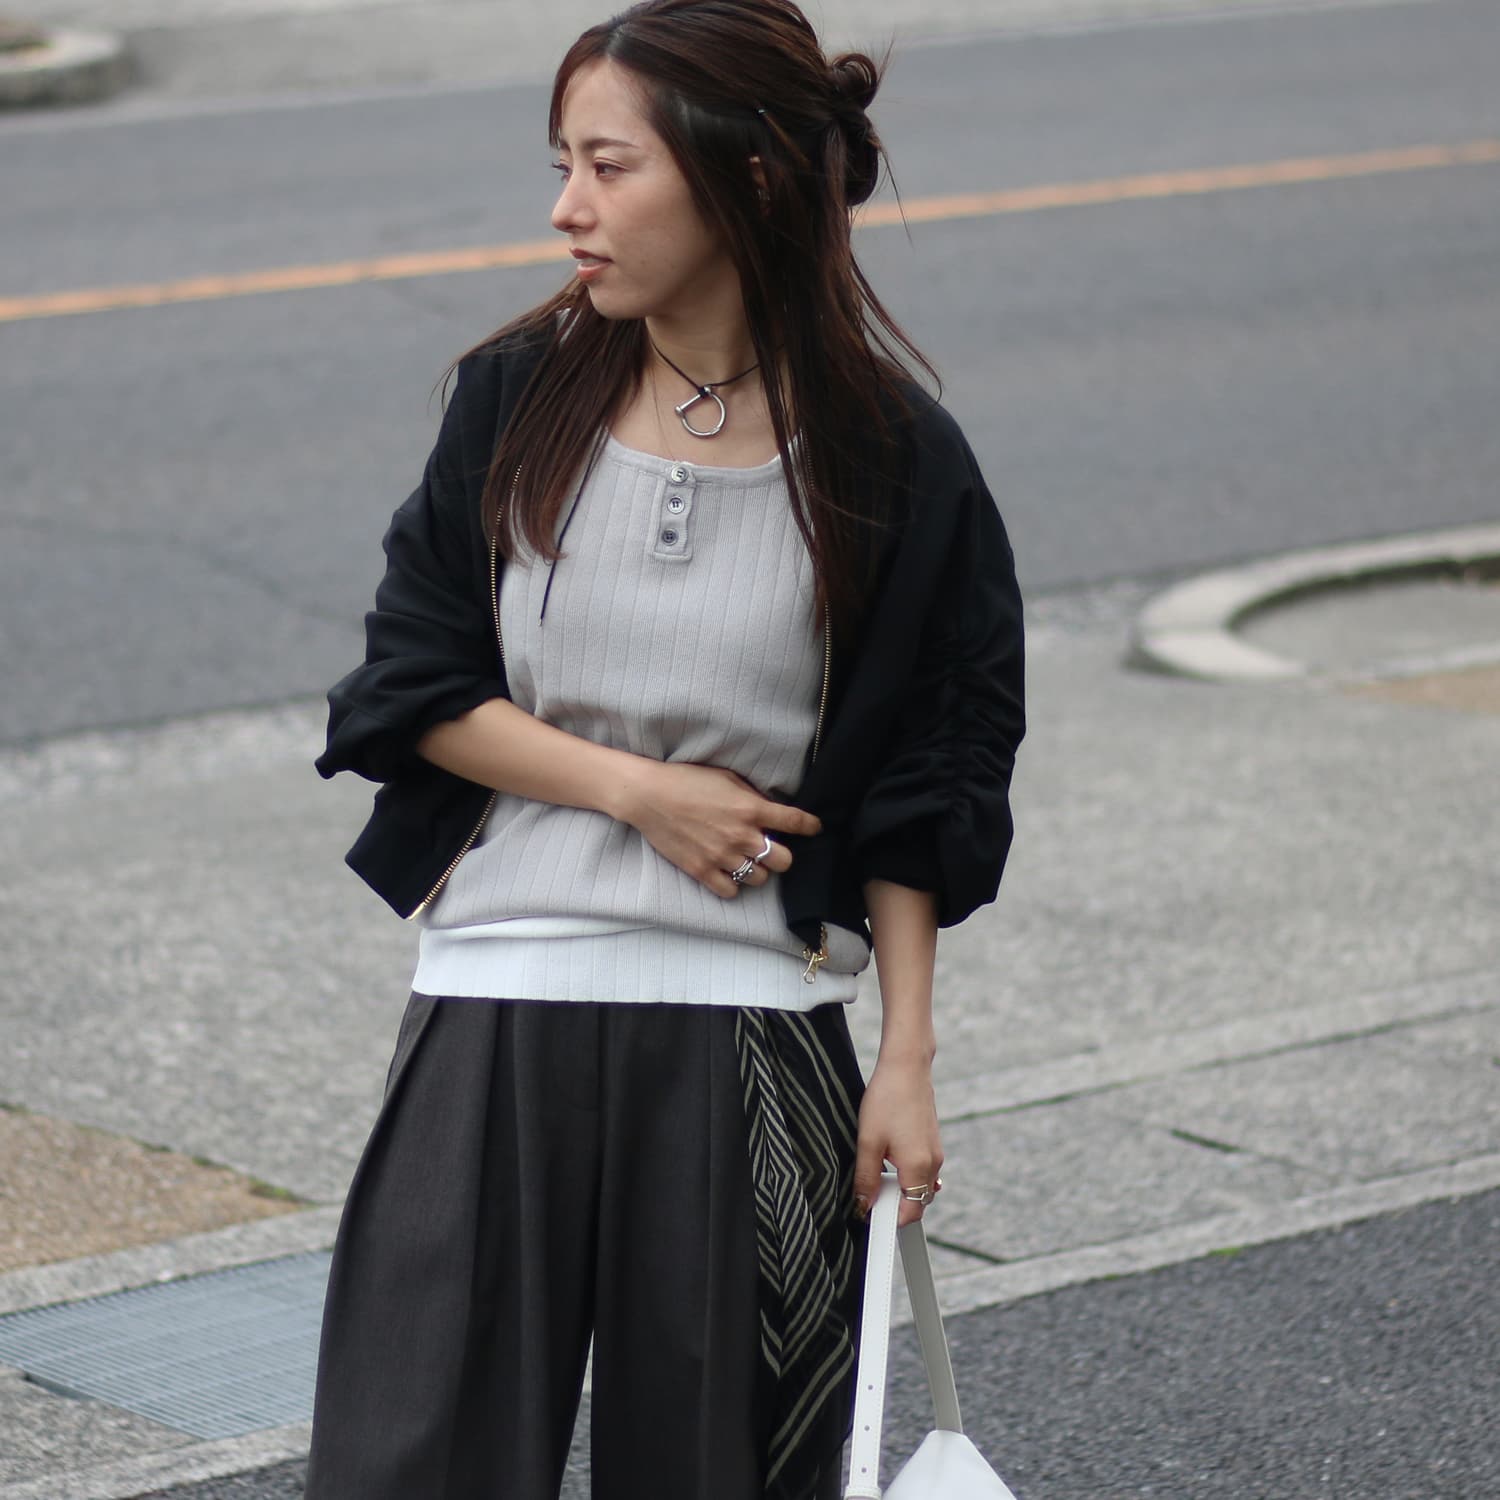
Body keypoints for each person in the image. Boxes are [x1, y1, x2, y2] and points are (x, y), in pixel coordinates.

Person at [303, 1, 1025, 1497]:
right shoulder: (517, 398)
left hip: (756, 1031)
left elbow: (934, 777)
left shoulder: (893, 457)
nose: (567, 207)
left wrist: (906, 1059)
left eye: (609, 165)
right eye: (563, 164)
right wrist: (642, 795)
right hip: (495, 1005)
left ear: (746, 176)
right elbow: (406, 688)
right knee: (411, 1466)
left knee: (725, 1472)